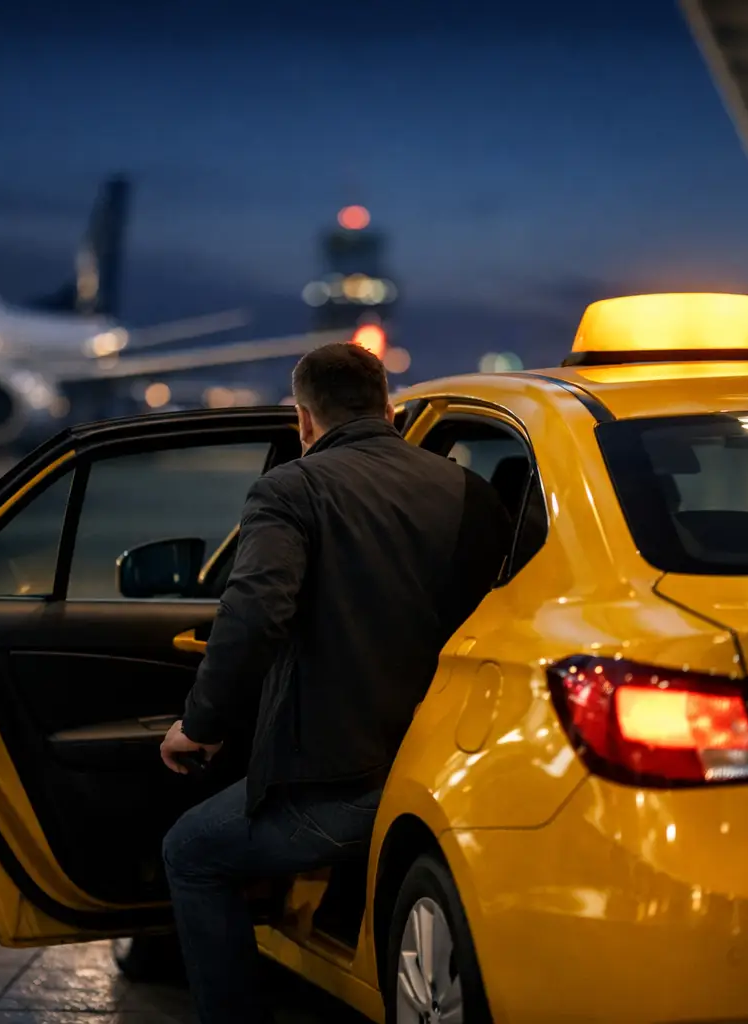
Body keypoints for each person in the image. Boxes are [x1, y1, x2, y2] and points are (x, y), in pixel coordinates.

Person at [158, 341, 514, 1023]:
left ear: (304, 420)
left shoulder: (291, 488)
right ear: (387, 407)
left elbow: (256, 614)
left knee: (191, 851)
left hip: (345, 785)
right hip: (448, 768)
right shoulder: (468, 492)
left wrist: (199, 727)